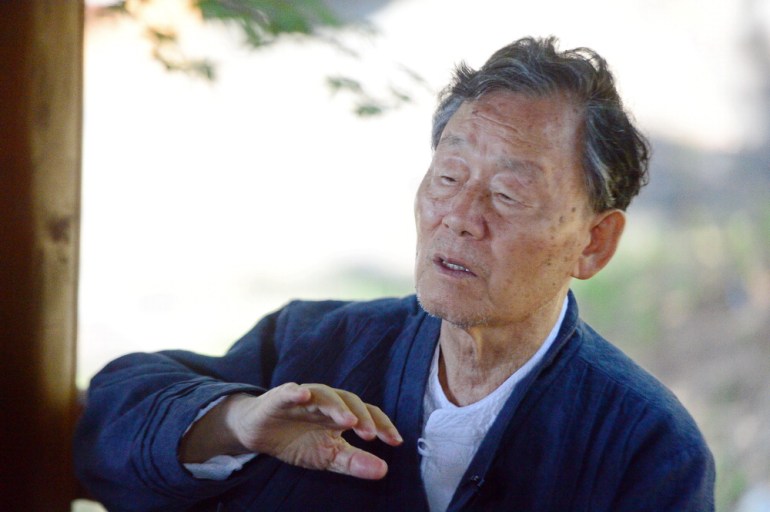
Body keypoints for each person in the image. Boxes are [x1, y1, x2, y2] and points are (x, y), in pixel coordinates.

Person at [74, 36, 715, 511]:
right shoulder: (310, 347)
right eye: (448, 177)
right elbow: (108, 423)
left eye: (509, 196)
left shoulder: (647, 447)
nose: (460, 217)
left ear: (594, 244)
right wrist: (237, 423)